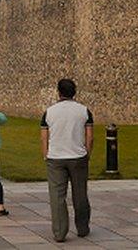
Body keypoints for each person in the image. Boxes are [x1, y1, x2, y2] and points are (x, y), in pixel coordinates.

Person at [41, 78, 93, 241]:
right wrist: (87, 154)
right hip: (78, 156)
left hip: (55, 158)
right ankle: (82, 228)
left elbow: (44, 137)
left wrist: (45, 154)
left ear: (59, 92)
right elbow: (89, 137)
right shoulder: (84, 111)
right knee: (80, 194)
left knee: (57, 197)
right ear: (74, 92)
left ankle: (59, 233)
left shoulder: (49, 112)